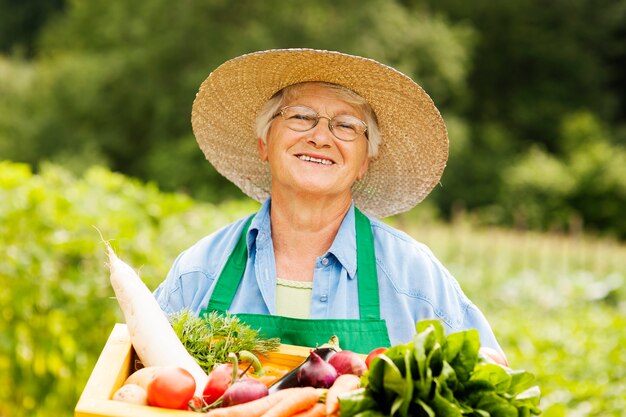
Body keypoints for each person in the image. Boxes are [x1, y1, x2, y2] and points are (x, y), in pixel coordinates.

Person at [154, 49, 506, 360]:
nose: (320, 137)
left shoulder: (413, 278)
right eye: (300, 117)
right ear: (264, 143)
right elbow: (139, 379)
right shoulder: (199, 272)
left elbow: (487, 386)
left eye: (346, 126)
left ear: (365, 160)